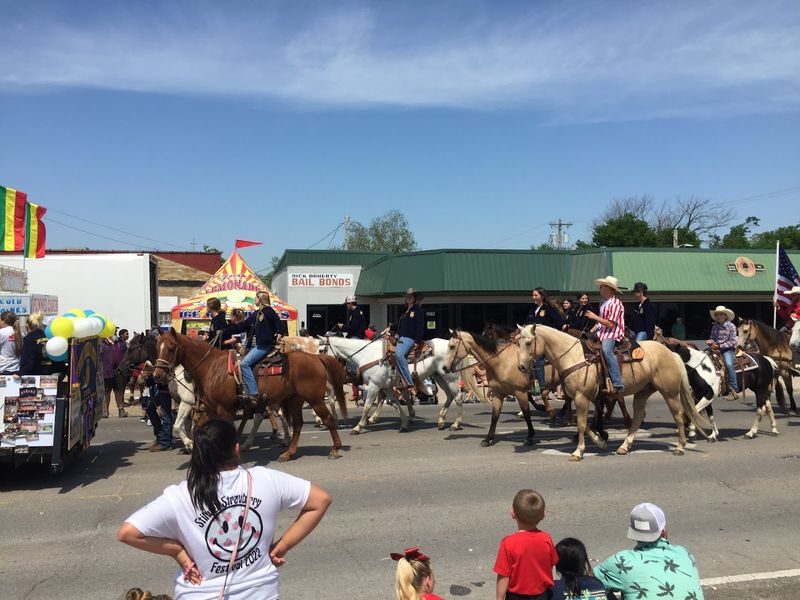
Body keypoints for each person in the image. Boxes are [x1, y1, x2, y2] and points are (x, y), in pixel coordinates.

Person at [118, 419, 332, 599]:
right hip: (261, 592)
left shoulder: (181, 495)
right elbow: (320, 500)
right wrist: (282, 546)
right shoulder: (266, 479)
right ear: (236, 449)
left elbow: (128, 533)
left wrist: (177, 552)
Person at [595, 503, 703, 600]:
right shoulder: (684, 554)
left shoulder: (622, 562)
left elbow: (586, 578)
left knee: (596, 591)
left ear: (634, 534)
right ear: (663, 531)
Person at [494, 489, 558, 600]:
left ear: (513, 513)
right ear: (543, 515)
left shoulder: (508, 543)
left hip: (516, 596)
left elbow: (503, 576)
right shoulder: (546, 539)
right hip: (541, 595)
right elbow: (550, 564)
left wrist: (499, 597)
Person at [221, 291, 282, 404]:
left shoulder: (268, 311)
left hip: (264, 345)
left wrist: (279, 331)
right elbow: (243, 326)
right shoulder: (257, 313)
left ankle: (253, 392)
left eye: (256, 297)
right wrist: (225, 331)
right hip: (257, 345)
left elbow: (278, 323)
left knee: (244, 364)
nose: (254, 299)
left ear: (260, 299)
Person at [586, 276, 625, 394]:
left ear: (608, 288)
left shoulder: (616, 304)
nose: (600, 288)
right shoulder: (603, 302)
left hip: (613, 333)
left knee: (607, 351)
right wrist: (589, 332)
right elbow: (600, 322)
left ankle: (617, 383)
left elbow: (611, 324)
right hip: (602, 332)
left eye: (602, 286)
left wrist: (595, 317)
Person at [524, 288, 565, 394]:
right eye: (532, 295)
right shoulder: (533, 310)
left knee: (538, 357)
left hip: (545, 340)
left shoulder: (549, 308)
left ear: (542, 296)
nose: (533, 297)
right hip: (533, 339)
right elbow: (527, 324)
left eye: (535, 295)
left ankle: (541, 385)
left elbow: (559, 322)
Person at [706, 305, 739, 399]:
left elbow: (733, 341)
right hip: (715, 348)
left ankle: (734, 389)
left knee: (729, 365)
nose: (718, 316)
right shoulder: (715, 326)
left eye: (720, 314)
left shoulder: (731, 326)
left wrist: (720, 346)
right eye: (717, 315)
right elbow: (713, 337)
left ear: (725, 316)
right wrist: (710, 341)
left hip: (728, 349)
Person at [395, 288, 425, 390]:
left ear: (415, 298)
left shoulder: (418, 311)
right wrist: (390, 328)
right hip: (401, 337)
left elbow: (420, 327)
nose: (408, 298)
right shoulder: (406, 311)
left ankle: (409, 382)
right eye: (407, 296)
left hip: (410, 338)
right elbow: (402, 326)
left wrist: (417, 341)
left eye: (410, 296)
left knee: (399, 355)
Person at [100, 329, 129, 418]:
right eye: (112, 331)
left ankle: (121, 410)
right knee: (106, 392)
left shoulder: (121, 343)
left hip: (119, 372)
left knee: (119, 392)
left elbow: (126, 356)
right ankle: (105, 411)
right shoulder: (102, 343)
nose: (114, 333)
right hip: (106, 372)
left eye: (115, 331)